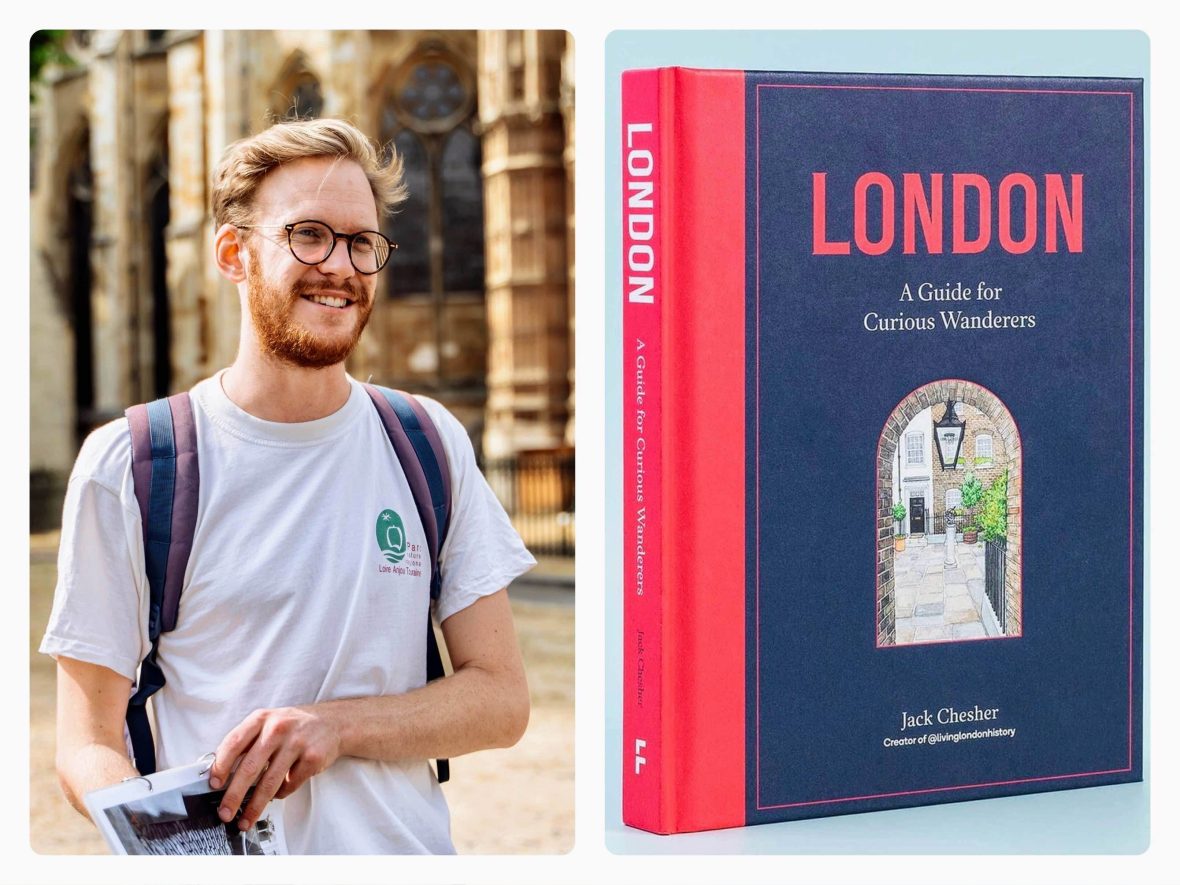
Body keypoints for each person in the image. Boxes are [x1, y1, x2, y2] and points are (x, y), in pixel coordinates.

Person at [40, 118, 536, 854]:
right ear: (234, 253)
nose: (340, 265)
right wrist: (175, 846)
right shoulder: (134, 464)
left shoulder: (427, 441)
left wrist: (335, 725)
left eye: (361, 242)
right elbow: (85, 742)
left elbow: (501, 698)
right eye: (308, 234)